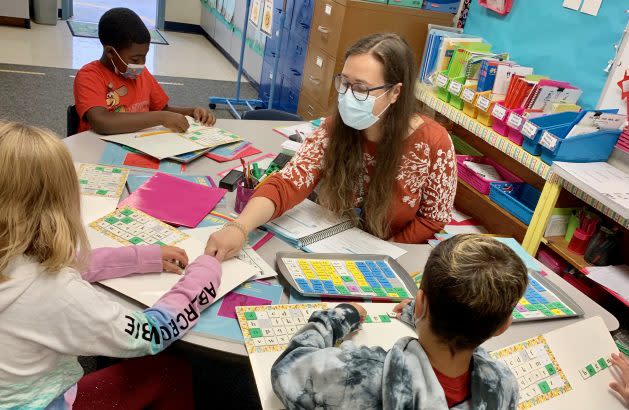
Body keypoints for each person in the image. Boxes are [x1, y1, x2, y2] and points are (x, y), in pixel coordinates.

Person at [0, 121, 220, 409]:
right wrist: (206, 276)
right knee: (169, 372)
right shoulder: (59, 294)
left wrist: (140, 258)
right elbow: (153, 333)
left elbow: (58, 260)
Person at [205, 33, 457, 260]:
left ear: (394, 93)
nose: (347, 95)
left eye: (361, 88)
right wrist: (239, 228)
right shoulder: (334, 129)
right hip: (331, 244)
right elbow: (288, 182)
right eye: (345, 83)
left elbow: (433, 218)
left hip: (393, 255)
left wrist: (387, 252)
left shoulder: (434, 143)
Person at [271, 234, 527, 409]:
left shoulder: (362, 375)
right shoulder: (502, 387)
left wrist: (340, 317)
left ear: (420, 303)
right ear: (502, 327)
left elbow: (287, 370)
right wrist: (420, 318)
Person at [73, 7, 215, 135]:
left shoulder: (141, 74)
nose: (142, 64)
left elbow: (163, 109)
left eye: (145, 57)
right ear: (110, 52)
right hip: (99, 150)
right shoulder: (89, 76)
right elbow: (101, 122)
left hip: (142, 145)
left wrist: (192, 112)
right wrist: (161, 117)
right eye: (135, 59)